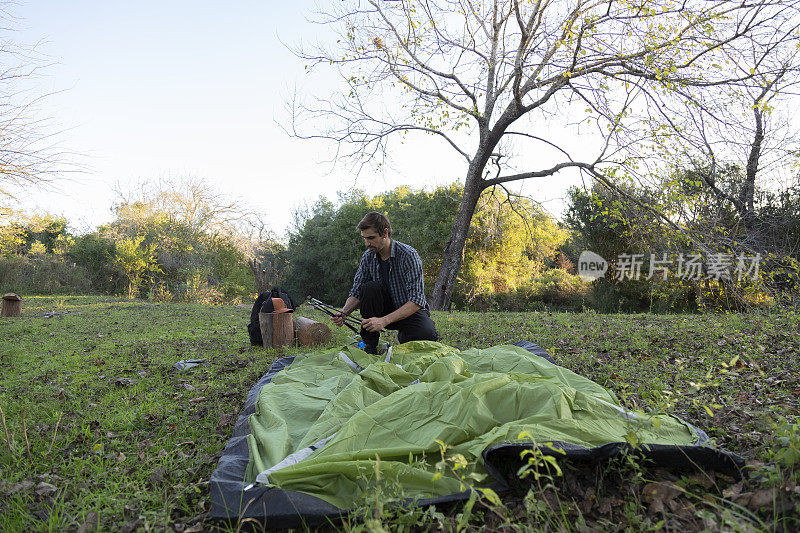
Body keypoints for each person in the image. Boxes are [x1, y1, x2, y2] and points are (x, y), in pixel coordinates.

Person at [331, 212, 439, 354]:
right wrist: (344, 312)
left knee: (427, 334)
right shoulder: (368, 257)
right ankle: (369, 345)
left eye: (371, 238)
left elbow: (417, 300)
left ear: (385, 233)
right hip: (382, 310)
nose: (367, 243)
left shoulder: (408, 255)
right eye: (364, 238)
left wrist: (384, 321)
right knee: (368, 288)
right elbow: (356, 291)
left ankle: (403, 336)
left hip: (407, 311)